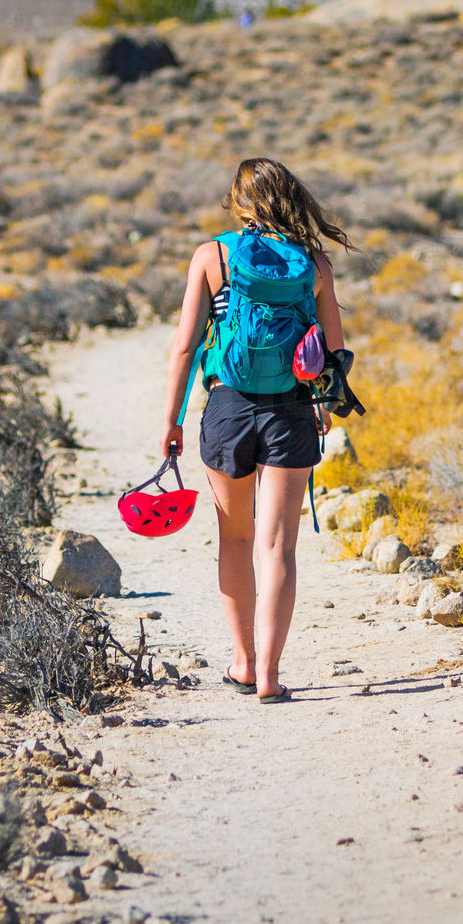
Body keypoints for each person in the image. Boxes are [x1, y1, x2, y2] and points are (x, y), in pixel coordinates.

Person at [162, 158, 352, 704]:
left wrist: (173, 419)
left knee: (236, 539)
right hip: (292, 410)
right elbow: (335, 351)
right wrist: (325, 407)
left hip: (227, 409)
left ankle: (243, 663)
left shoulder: (212, 255)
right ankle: (270, 674)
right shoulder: (314, 264)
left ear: (241, 201)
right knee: (278, 548)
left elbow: (185, 346)